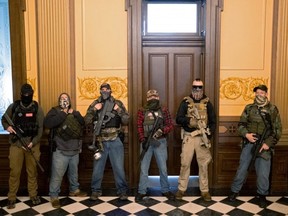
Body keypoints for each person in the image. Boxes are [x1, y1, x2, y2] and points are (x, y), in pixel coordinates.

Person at [228, 84, 282, 208]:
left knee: (263, 172)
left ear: (266, 94)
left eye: (262, 93)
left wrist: (268, 143)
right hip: (249, 143)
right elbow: (241, 125)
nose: (259, 95)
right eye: (257, 93)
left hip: (264, 146)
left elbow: (278, 130)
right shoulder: (249, 108)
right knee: (242, 169)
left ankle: (262, 195)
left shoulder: (273, 109)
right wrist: (246, 135)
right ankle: (235, 191)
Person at [1, 83, 44, 209]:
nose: (26, 96)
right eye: (24, 94)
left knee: (32, 172)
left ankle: (33, 195)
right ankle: (11, 197)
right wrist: (7, 126)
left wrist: (32, 143)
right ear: (21, 94)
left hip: (32, 144)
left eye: (28, 94)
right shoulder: (14, 106)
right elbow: (4, 119)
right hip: (16, 145)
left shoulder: (37, 107)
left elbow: (40, 128)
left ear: (32, 94)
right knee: (15, 172)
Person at [84, 83, 129, 201]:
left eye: (107, 89)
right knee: (97, 168)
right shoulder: (95, 103)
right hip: (100, 142)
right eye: (102, 89)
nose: (105, 91)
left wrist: (118, 110)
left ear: (110, 90)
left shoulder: (117, 103)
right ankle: (95, 190)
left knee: (119, 168)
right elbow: (86, 120)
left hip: (115, 140)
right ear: (100, 91)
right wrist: (94, 109)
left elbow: (126, 120)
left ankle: (122, 191)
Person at [175, 78, 216, 201]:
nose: (197, 90)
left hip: (202, 138)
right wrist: (189, 121)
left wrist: (208, 136)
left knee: (203, 165)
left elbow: (213, 122)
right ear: (192, 88)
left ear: (203, 88)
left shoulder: (207, 103)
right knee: (185, 163)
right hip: (189, 137)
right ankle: (181, 189)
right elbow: (178, 118)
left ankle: (204, 191)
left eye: (200, 87)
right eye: (195, 87)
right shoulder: (186, 102)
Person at [44, 93, 87, 208]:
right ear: (59, 100)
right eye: (62, 98)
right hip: (60, 150)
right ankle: (54, 196)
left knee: (74, 173)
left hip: (74, 149)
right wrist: (63, 113)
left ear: (69, 100)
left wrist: (75, 113)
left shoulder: (74, 112)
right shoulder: (54, 111)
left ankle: (74, 189)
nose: (64, 100)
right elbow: (48, 123)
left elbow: (83, 123)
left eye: (66, 98)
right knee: (57, 174)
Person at [135, 89, 175, 202]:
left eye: (155, 96)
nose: (153, 98)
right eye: (150, 97)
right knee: (143, 168)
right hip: (146, 142)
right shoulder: (142, 111)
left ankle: (165, 190)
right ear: (147, 99)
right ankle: (142, 191)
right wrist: (143, 140)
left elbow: (170, 125)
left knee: (163, 168)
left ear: (158, 97)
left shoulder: (164, 110)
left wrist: (162, 130)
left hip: (160, 142)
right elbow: (139, 126)